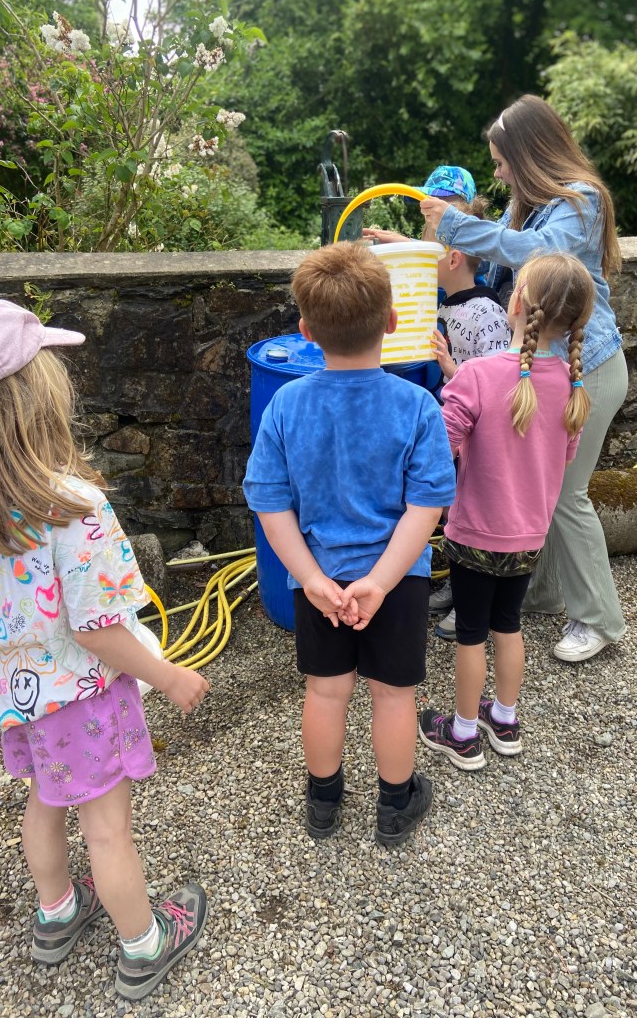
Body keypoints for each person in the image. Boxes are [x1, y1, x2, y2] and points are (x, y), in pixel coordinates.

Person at [0, 299, 210, 1001]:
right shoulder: (71, 505)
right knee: (107, 828)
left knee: (45, 801)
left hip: (16, 696)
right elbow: (96, 628)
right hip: (81, 697)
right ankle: (144, 944)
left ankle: (56, 914)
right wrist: (168, 675)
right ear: (40, 402)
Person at [243, 242, 457, 846]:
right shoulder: (417, 406)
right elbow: (427, 506)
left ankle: (323, 803)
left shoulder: (286, 404)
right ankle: (394, 807)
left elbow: (269, 503)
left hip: (320, 582)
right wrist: (381, 582)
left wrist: (312, 579)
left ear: (307, 331)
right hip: (397, 581)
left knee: (325, 691)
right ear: (391, 321)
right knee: (393, 696)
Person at [420, 94, 628, 662]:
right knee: (547, 490)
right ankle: (544, 592)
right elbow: (491, 262)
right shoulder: (532, 204)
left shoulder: (581, 201)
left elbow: (536, 254)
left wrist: (455, 223)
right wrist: (417, 247)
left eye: (500, 161)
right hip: (556, 369)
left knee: (566, 496)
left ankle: (599, 619)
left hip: (589, 367)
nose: (497, 173)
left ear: (527, 152)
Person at [419, 252, 594, 770]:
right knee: (508, 625)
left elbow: (441, 447)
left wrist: (452, 382)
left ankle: (462, 733)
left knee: (471, 634)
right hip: (529, 535)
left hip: (475, 532)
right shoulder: (572, 385)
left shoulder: (477, 376)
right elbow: (560, 457)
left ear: (515, 302)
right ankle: (505, 720)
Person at [427, 196, 512, 638]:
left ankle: (469, 603)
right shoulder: (443, 305)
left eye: (430, 249)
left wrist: (451, 371)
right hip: (453, 433)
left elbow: (496, 387)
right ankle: (456, 586)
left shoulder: (488, 313)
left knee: (471, 520)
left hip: (476, 442)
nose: (425, 257)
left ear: (454, 257)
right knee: (451, 516)